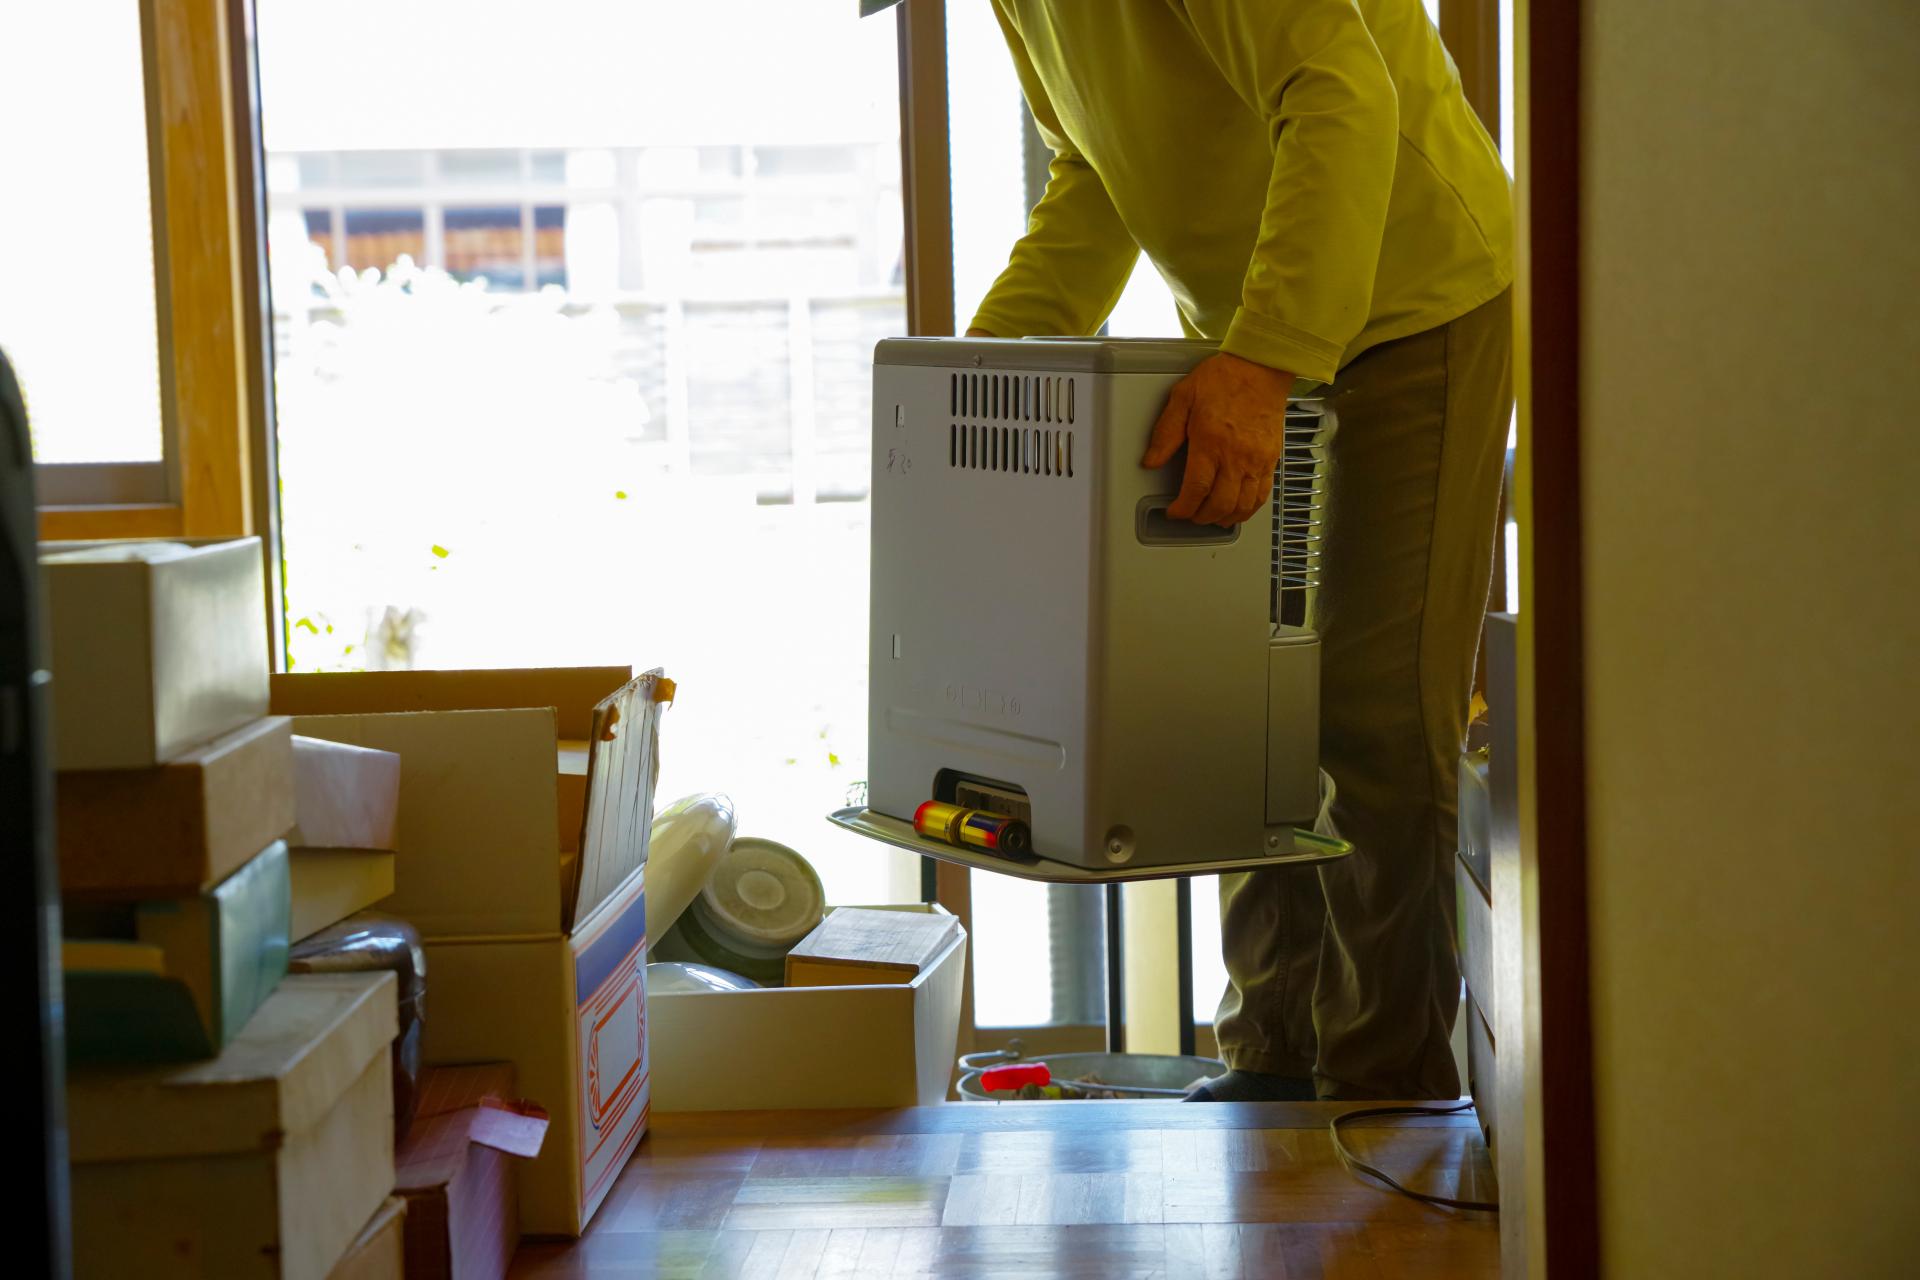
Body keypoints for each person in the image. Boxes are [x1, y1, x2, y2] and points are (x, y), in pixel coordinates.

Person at [868, 0, 1513, 1100]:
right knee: (1237, 706)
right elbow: (1095, 172)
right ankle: (1272, 1056)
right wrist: (976, 380)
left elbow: (1340, 92)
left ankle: (1386, 1086)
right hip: (1256, 316)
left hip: (1416, 297)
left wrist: (1262, 363)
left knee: (1370, 710)